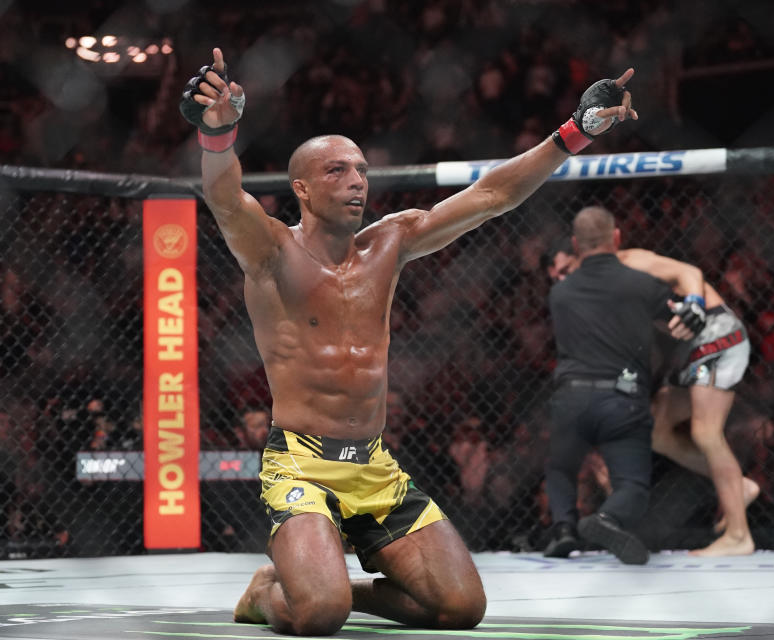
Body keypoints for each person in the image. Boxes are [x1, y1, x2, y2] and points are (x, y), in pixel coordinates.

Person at [180, 47, 637, 635]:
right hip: (299, 463)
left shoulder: (390, 244)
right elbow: (223, 198)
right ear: (301, 188)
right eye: (337, 171)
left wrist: (574, 132)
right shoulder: (271, 253)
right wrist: (219, 134)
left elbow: (492, 196)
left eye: (362, 170)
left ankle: (340, 586)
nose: (356, 182)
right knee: (319, 614)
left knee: (462, 609)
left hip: (373, 464)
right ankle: (267, 593)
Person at [545, 241, 759, 556]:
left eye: (566, 270)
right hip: (691, 352)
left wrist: (695, 304)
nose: (563, 280)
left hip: (715, 331)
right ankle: (738, 487)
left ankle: (740, 536)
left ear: (580, 256)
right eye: (556, 278)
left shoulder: (627, 262)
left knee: (705, 431)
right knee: (657, 428)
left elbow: (689, 271)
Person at [542, 207, 697, 564]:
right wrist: (691, 310)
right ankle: (606, 518)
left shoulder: (560, 295)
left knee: (560, 467)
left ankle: (564, 528)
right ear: (616, 237)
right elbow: (680, 319)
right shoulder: (641, 285)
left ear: (577, 245)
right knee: (632, 486)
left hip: (573, 398)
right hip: (622, 397)